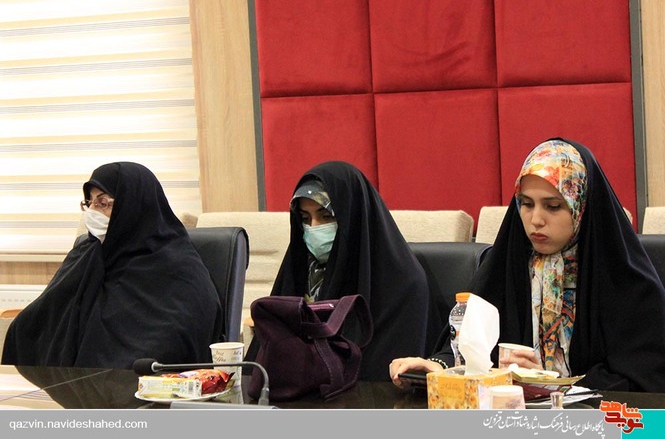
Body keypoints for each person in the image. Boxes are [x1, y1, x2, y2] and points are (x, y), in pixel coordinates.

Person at [390, 138, 665, 392]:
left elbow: (644, 379)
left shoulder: (624, 280)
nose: (536, 220)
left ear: (581, 206)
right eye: (526, 204)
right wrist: (439, 367)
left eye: (553, 206)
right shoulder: (506, 265)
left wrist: (551, 384)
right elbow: (470, 349)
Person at [2, 162, 224, 369]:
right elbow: (45, 315)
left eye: (103, 203)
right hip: (71, 385)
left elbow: (174, 338)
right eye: (89, 203)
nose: (93, 212)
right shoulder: (87, 252)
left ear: (134, 205)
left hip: (139, 385)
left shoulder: (178, 267)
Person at [248, 160, 430, 381]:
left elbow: (389, 377)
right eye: (305, 219)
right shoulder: (301, 270)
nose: (314, 228)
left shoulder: (403, 284)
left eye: (326, 216)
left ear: (353, 215)